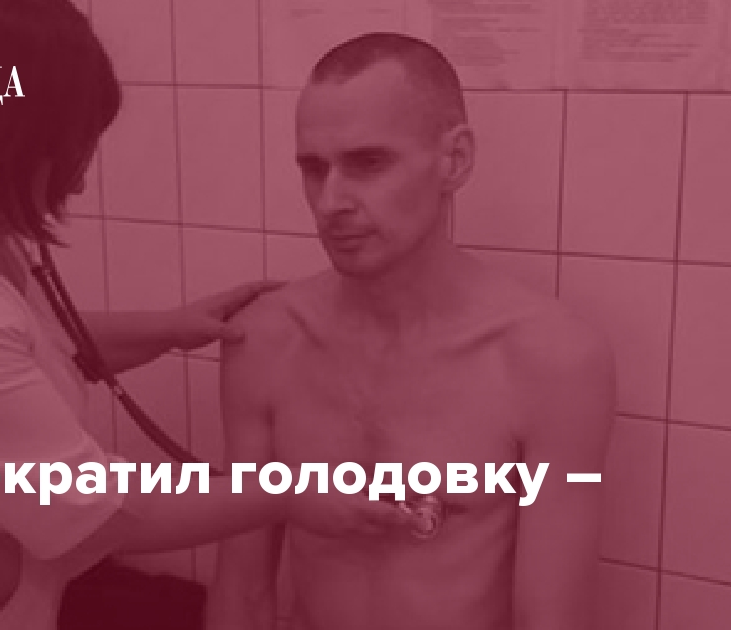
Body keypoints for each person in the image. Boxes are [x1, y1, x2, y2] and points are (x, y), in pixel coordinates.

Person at [0, 2, 405, 629]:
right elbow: (96, 513)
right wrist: (292, 494)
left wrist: (169, 327)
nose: (79, 182)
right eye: (66, 155)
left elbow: (12, 346)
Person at [207, 33, 615, 630]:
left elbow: (551, 619)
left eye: (368, 163)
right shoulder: (266, 341)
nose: (331, 201)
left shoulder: (552, 361)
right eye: (313, 169)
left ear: (455, 160)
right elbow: (242, 592)